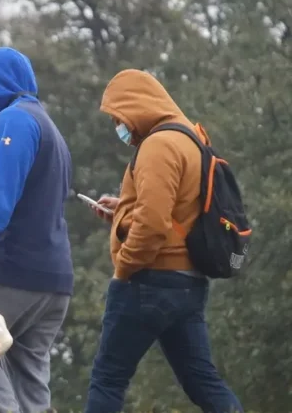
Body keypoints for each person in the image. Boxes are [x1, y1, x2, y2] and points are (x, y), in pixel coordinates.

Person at [84, 69, 243, 413]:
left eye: (118, 117)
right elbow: (175, 214)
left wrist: (124, 267)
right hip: (189, 284)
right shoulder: (191, 139)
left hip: (149, 281)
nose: (118, 126)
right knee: (203, 381)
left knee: (108, 379)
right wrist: (123, 210)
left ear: (136, 106)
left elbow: (154, 224)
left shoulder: (158, 145)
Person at [0, 47, 74, 413]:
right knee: (28, 381)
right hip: (54, 281)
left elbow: (3, 193)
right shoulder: (47, 126)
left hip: (14, 273)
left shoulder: (14, 122)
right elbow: (31, 204)